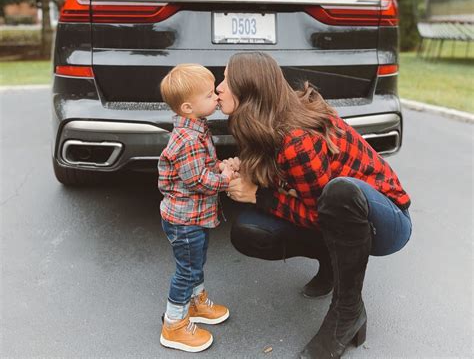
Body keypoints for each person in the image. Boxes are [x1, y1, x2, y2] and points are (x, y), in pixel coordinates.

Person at [216, 52, 412, 359]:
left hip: (388, 221)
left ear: (249, 89)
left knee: (339, 193)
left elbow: (323, 214)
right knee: (248, 230)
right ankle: (332, 262)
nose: (219, 87)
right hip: (339, 214)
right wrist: (243, 168)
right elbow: (295, 187)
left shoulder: (295, 139)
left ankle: (348, 312)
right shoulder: (263, 121)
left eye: (226, 79)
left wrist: (259, 196)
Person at [158, 63, 236, 353]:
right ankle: (174, 324)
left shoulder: (197, 128)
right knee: (186, 270)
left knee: (195, 263)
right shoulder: (188, 139)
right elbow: (197, 180)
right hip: (185, 220)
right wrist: (225, 178)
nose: (216, 96)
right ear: (188, 107)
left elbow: (201, 167)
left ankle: (196, 302)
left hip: (193, 217)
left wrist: (217, 166)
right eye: (208, 95)